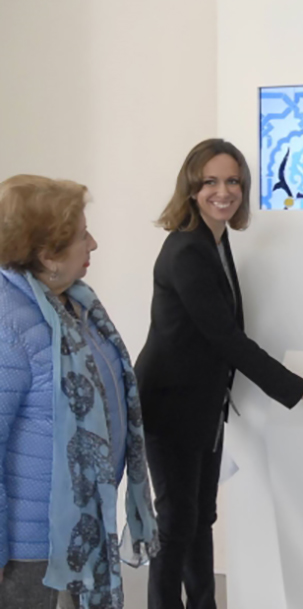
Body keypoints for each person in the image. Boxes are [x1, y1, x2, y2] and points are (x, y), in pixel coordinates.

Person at [135, 139, 303, 609]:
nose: (223, 192)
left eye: (232, 181)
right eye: (210, 181)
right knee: (177, 522)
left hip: (202, 405)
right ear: (191, 188)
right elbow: (226, 338)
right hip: (168, 405)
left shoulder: (215, 238)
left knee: (199, 516)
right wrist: (299, 388)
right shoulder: (187, 250)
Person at [0, 175, 158, 609]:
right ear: (48, 254)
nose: (93, 244)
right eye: (82, 236)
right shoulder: (9, 323)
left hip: (79, 531)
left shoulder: (74, 303)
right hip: (30, 547)